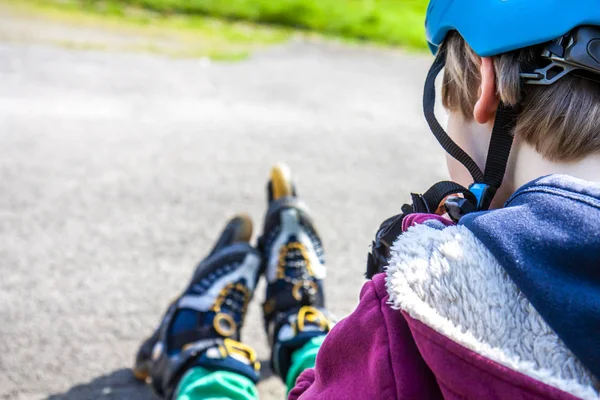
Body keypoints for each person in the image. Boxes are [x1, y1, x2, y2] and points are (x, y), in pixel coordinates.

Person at [134, 0, 600, 398]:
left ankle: (202, 354)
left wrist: (381, 321)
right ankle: (307, 339)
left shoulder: (427, 294)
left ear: (486, 87)